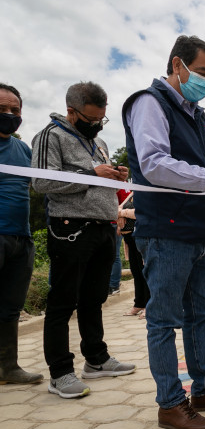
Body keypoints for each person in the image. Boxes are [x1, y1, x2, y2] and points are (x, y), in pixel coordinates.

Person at [123, 35, 205, 429]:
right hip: (166, 231)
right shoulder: (149, 103)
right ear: (177, 65)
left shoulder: (198, 114)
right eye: (201, 72)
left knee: (200, 314)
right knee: (163, 320)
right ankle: (170, 403)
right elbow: (155, 163)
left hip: (197, 230)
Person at [31, 81, 136, 399]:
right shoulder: (51, 136)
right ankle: (60, 373)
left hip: (104, 227)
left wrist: (114, 174)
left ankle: (97, 359)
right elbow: (42, 181)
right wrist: (93, 174)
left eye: (101, 120)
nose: (96, 125)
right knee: (63, 302)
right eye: (90, 120)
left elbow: (97, 176)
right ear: (71, 112)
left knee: (94, 299)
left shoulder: (99, 142)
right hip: (70, 227)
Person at [0, 83, 43, 385]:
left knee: (11, 307)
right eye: (2, 109)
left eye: (15, 110)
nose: (9, 114)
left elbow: (39, 185)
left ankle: (7, 367)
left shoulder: (23, 148)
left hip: (21, 238)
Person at [118, 190, 150, 319]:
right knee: (136, 272)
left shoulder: (146, 192)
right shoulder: (132, 193)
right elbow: (119, 207)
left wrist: (121, 213)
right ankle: (139, 303)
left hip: (141, 236)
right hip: (129, 239)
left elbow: (142, 212)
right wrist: (120, 213)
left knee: (145, 272)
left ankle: (149, 305)